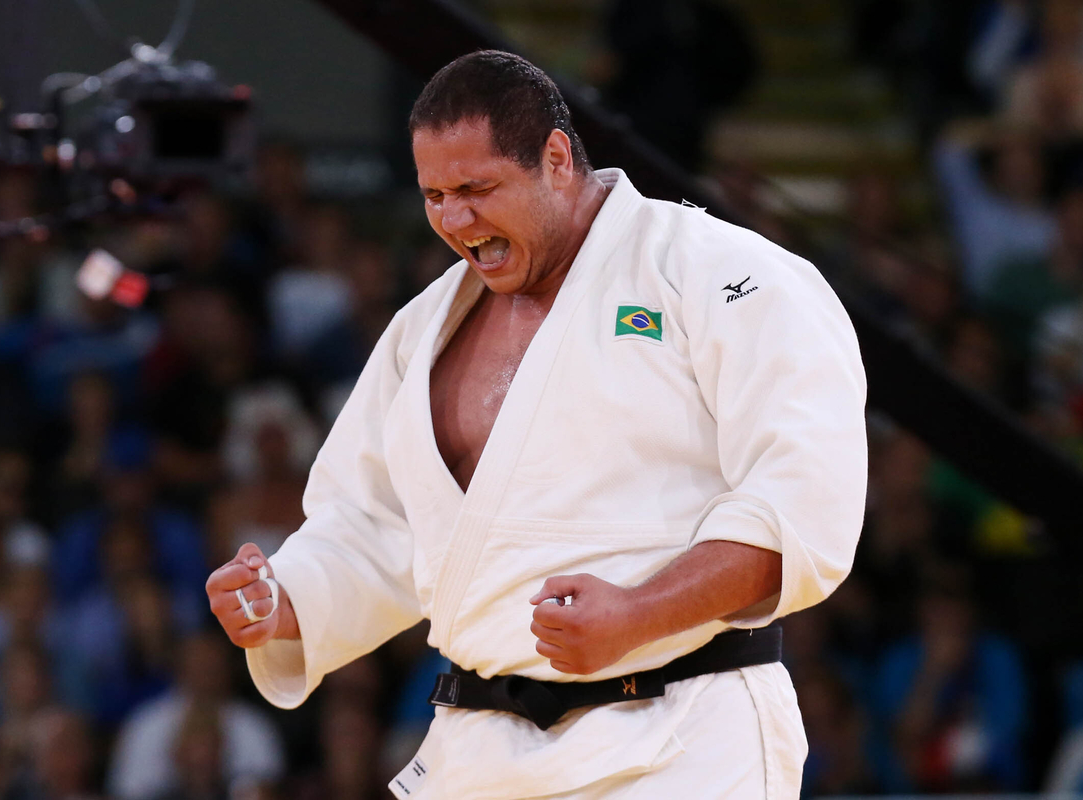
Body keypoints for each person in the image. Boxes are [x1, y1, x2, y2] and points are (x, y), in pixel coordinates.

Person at [206, 50, 867, 798]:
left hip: (681, 735)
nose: (454, 220)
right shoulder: (424, 326)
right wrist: (286, 599)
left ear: (556, 159)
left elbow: (804, 501)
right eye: (434, 196)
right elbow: (376, 521)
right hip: (480, 748)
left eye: (477, 189)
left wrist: (640, 612)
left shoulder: (721, 273)